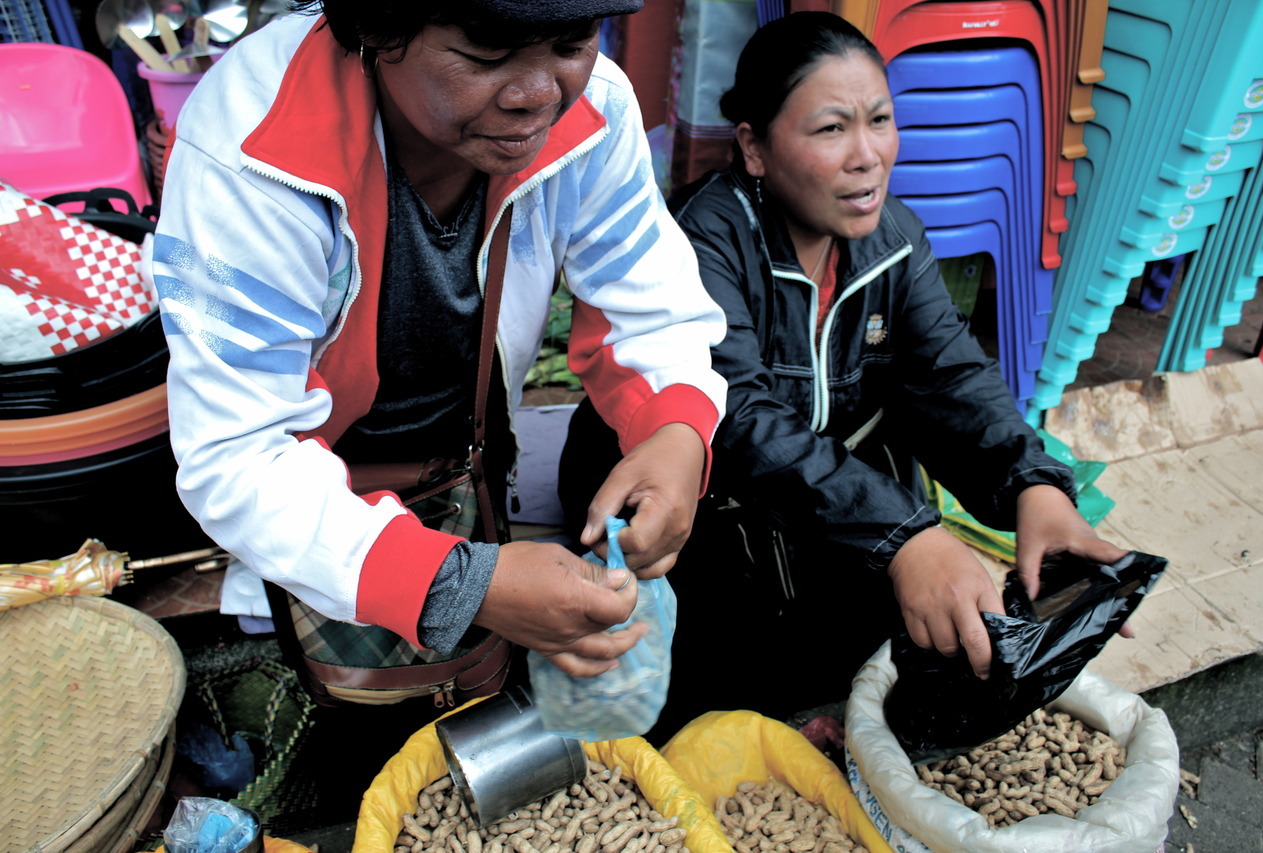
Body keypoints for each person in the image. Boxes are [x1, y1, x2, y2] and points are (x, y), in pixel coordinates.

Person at [148, 0, 727, 795]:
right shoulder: (253, 148)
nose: (537, 93)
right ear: (378, 27)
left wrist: (674, 435)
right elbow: (239, 457)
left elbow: (649, 303)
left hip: (469, 451)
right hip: (321, 491)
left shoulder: (594, 110)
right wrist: (466, 584)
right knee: (363, 739)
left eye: (571, 43)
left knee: (477, 705)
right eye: (486, 53)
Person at [559, 11, 1129, 743]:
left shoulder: (892, 238)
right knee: (703, 707)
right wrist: (908, 538)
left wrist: (1035, 486)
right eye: (831, 129)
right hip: (699, 507)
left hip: (811, 504)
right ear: (755, 149)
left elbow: (952, 374)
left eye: (880, 121)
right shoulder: (705, 240)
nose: (868, 156)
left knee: (922, 640)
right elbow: (744, 423)